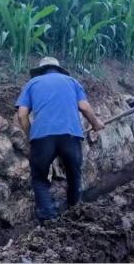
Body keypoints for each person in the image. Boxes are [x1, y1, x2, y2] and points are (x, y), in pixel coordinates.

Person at [15, 57, 105, 224]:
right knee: (74, 175)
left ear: (41, 71)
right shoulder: (72, 82)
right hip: (70, 134)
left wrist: (31, 137)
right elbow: (84, 107)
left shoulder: (32, 84)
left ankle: (49, 218)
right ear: (59, 70)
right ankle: (75, 212)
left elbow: (22, 115)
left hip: (42, 137)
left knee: (39, 179)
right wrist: (95, 123)